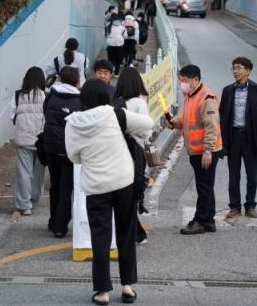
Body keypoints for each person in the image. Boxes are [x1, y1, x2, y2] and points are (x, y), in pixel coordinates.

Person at [65, 79, 153, 306]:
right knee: (126, 233)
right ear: (106, 95)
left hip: (95, 186)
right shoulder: (115, 114)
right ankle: (127, 287)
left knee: (100, 238)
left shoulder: (73, 123)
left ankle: (102, 291)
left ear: (82, 98)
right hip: (123, 182)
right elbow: (147, 124)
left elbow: (73, 156)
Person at [166, 64, 223, 235]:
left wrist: (208, 151)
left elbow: (211, 127)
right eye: (181, 81)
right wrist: (174, 123)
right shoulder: (190, 96)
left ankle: (200, 220)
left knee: (203, 187)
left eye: (185, 81)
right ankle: (209, 220)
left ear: (196, 79)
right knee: (206, 186)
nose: (182, 84)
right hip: (196, 150)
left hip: (205, 151)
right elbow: (186, 119)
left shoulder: (206, 98)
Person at [219, 56, 257, 219]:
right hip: (233, 137)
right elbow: (222, 115)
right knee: (233, 174)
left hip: (250, 138)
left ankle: (250, 205)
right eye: (234, 68)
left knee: (251, 174)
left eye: (239, 68)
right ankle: (234, 206)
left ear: (247, 71)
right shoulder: (228, 91)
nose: (235, 71)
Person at [114, 67, 152, 245]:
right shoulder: (139, 103)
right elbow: (145, 132)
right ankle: (135, 232)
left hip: (118, 149)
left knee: (122, 190)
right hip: (135, 151)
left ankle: (133, 231)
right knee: (133, 190)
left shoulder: (116, 102)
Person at [43, 67, 81, 237]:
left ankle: (53, 221)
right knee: (67, 187)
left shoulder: (51, 95)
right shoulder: (80, 100)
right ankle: (60, 225)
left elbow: (45, 113)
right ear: (76, 81)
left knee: (55, 185)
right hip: (69, 147)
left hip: (50, 145)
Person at [10, 67, 46, 220]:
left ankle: (24, 206)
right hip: (41, 140)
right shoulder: (46, 95)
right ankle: (34, 197)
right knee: (39, 171)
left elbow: (12, 116)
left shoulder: (18, 95)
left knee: (24, 172)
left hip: (24, 139)